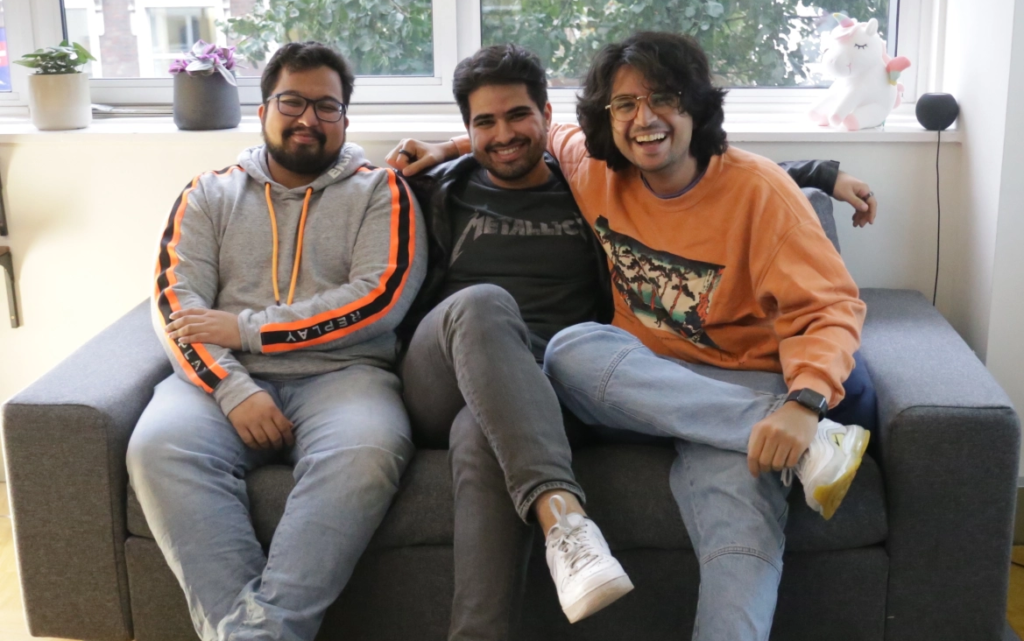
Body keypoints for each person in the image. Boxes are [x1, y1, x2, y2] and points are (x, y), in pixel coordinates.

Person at [387, 42, 876, 641]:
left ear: (694, 107)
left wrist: (804, 403)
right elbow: (514, 134)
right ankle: (803, 443)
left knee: (740, 519)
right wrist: (447, 149)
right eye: (625, 105)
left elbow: (827, 306)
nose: (643, 119)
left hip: (736, 377)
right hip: (632, 376)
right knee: (570, 348)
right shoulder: (590, 167)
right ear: (606, 120)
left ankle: (790, 441)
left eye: (663, 100)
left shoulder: (756, 191)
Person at [126, 41, 426, 641]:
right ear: (263, 108)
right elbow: (175, 304)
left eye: (327, 107)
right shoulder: (207, 193)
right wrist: (231, 387)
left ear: (346, 118)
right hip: (219, 382)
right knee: (159, 447)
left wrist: (246, 327)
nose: (308, 119)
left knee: (367, 454)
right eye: (292, 101)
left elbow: (378, 298)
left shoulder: (381, 191)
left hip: (344, 378)